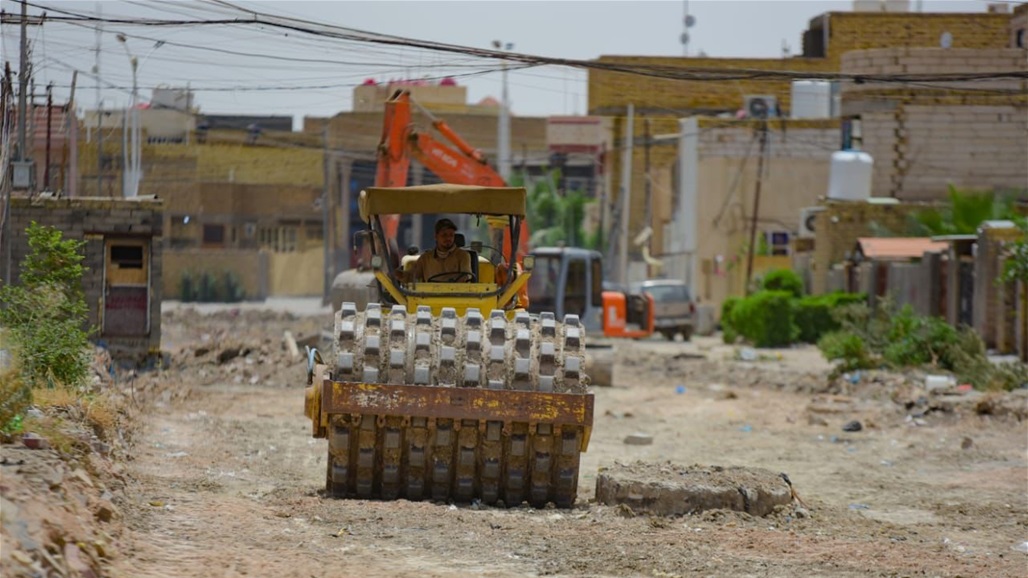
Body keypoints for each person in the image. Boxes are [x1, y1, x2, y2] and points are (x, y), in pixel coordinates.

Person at [398, 218, 473, 283]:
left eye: (451, 235)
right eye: (444, 235)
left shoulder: (463, 256)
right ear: (436, 236)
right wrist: (397, 275)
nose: (448, 239)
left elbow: (466, 277)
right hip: (430, 297)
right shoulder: (425, 259)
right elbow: (411, 276)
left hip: (458, 297)